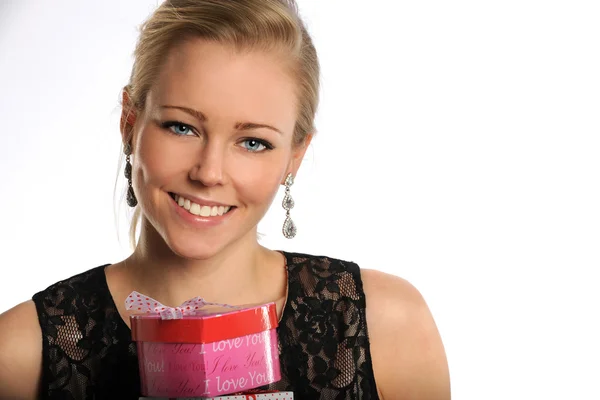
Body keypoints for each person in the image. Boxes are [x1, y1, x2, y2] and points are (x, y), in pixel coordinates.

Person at [0, 0, 450, 398]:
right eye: (182, 127)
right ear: (129, 124)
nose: (209, 173)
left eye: (253, 142)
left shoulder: (387, 326)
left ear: (295, 156)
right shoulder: (19, 357)